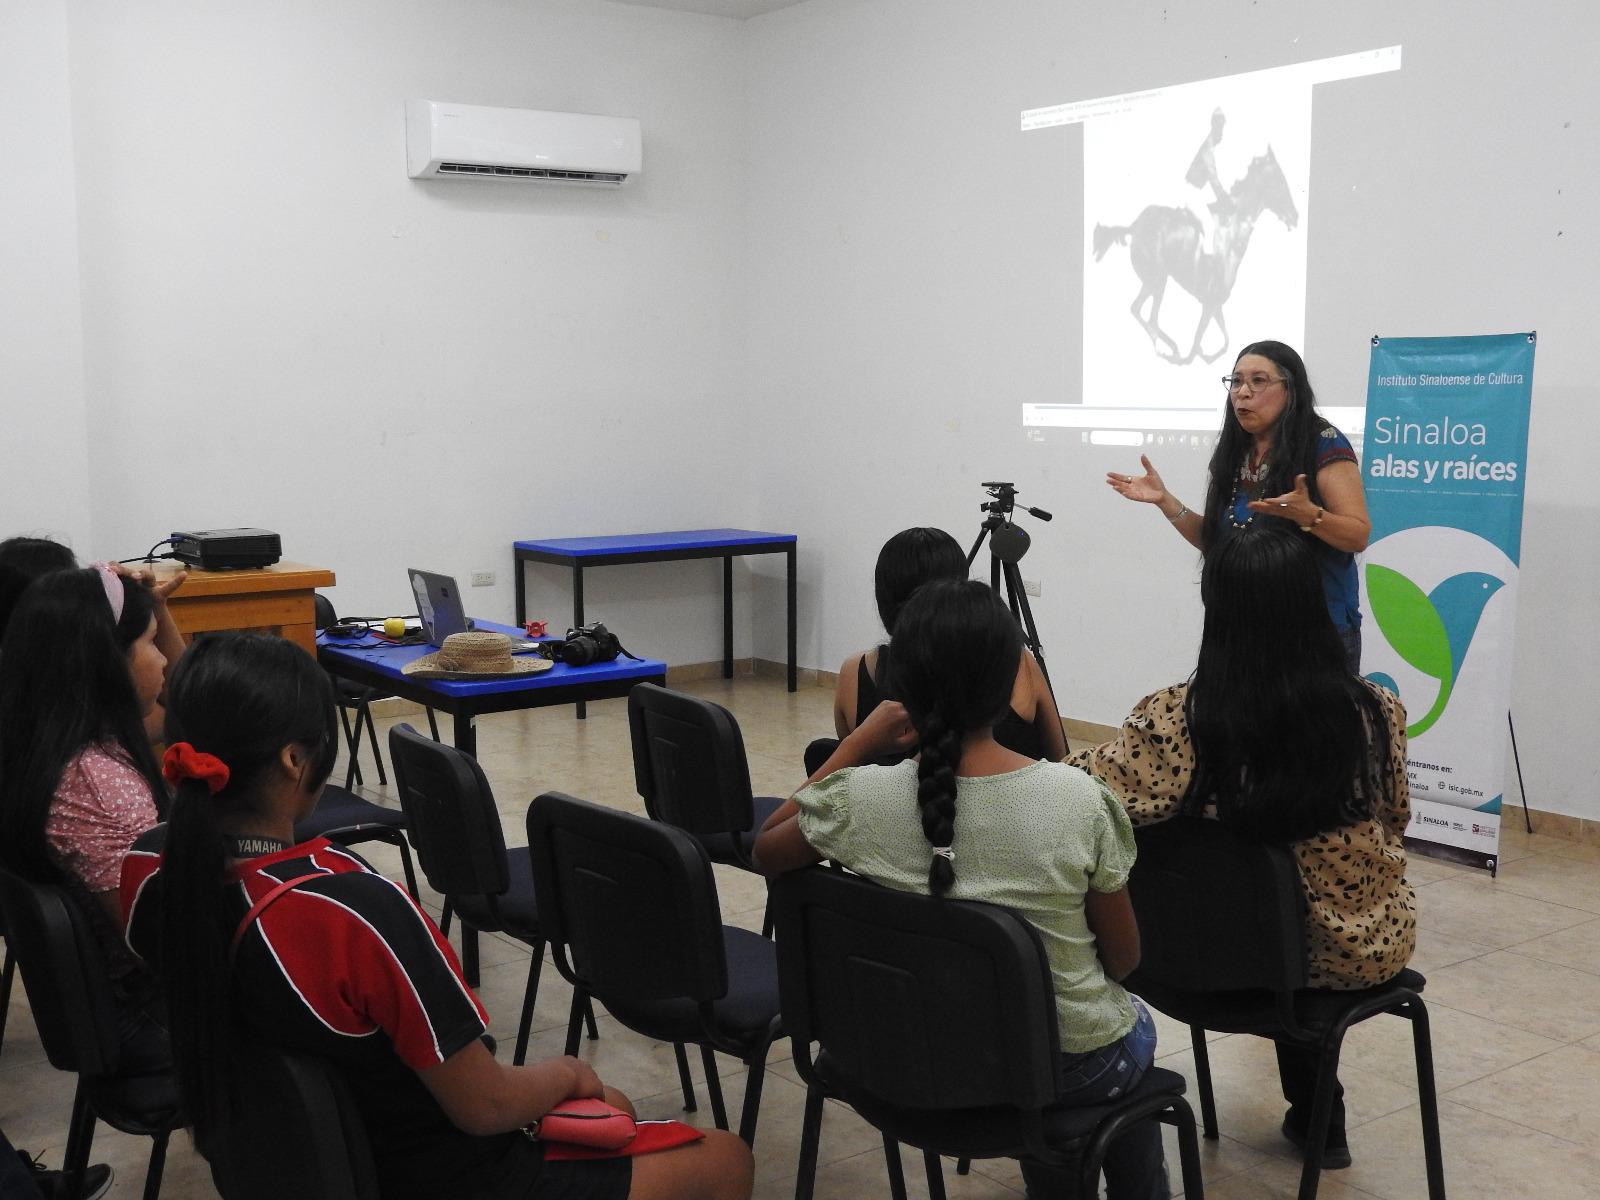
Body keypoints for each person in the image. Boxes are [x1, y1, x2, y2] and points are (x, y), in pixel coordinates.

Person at [122, 632, 753, 1200]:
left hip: (305, 1163)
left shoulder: (150, 870)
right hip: (436, 1174)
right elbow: (485, 1107)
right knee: (723, 1158)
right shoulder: (351, 910)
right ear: (295, 759)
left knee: (610, 1110)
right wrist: (566, 1071)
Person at [757, 580, 1168, 1200]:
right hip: (1053, 1072)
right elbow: (1124, 960)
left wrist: (854, 746)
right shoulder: (1077, 801)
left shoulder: (856, 803)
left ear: (900, 687)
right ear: (1010, 684)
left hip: (901, 1055)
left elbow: (767, 846)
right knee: (1126, 1030)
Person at [1068, 523, 1416, 1170]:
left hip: (1190, 962)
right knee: (1294, 893)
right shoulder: (1374, 713)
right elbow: (1396, 818)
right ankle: (1320, 1114)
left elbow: (1087, 793)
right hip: (1352, 951)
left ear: (1216, 607)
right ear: (1311, 605)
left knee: (1255, 898)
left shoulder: (1175, 720)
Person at [1106, 340, 1371, 670]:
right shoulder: (1235, 450)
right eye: (1236, 381)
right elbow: (1219, 543)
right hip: (1239, 628)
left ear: (1291, 389)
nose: (1242, 392)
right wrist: (1166, 502)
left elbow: (1357, 535)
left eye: (1258, 381)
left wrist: (1310, 515)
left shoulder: (1323, 443)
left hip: (1314, 631)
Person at [0, 565, 172, 1072]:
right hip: (145, 1015)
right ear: (105, 660)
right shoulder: (99, 785)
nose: (162, 660)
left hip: (111, 1002)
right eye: (150, 644)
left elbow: (183, 708)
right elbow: (156, 941)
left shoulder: (38, 735)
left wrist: (156, 607)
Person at [815, 527, 1064, 773]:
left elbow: (844, 778)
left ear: (884, 600)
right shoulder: (1017, 665)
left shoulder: (854, 672)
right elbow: (1064, 763)